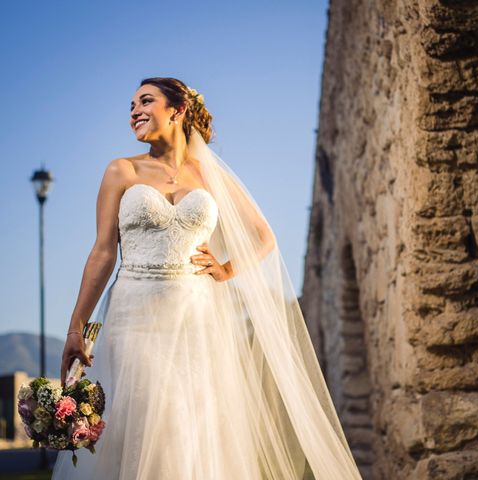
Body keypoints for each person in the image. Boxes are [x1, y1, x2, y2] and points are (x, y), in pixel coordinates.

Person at [51, 77, 363, 479]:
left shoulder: (209, 174)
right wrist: (76, 328)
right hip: (135, 316)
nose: (134, 112)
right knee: (145, 419)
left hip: (195, 318)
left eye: (146, 101)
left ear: (177, 110)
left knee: (188, 425)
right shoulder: (122, 170)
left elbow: (264, 236)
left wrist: (226, 270)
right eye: (130, 105)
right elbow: (102, 252)